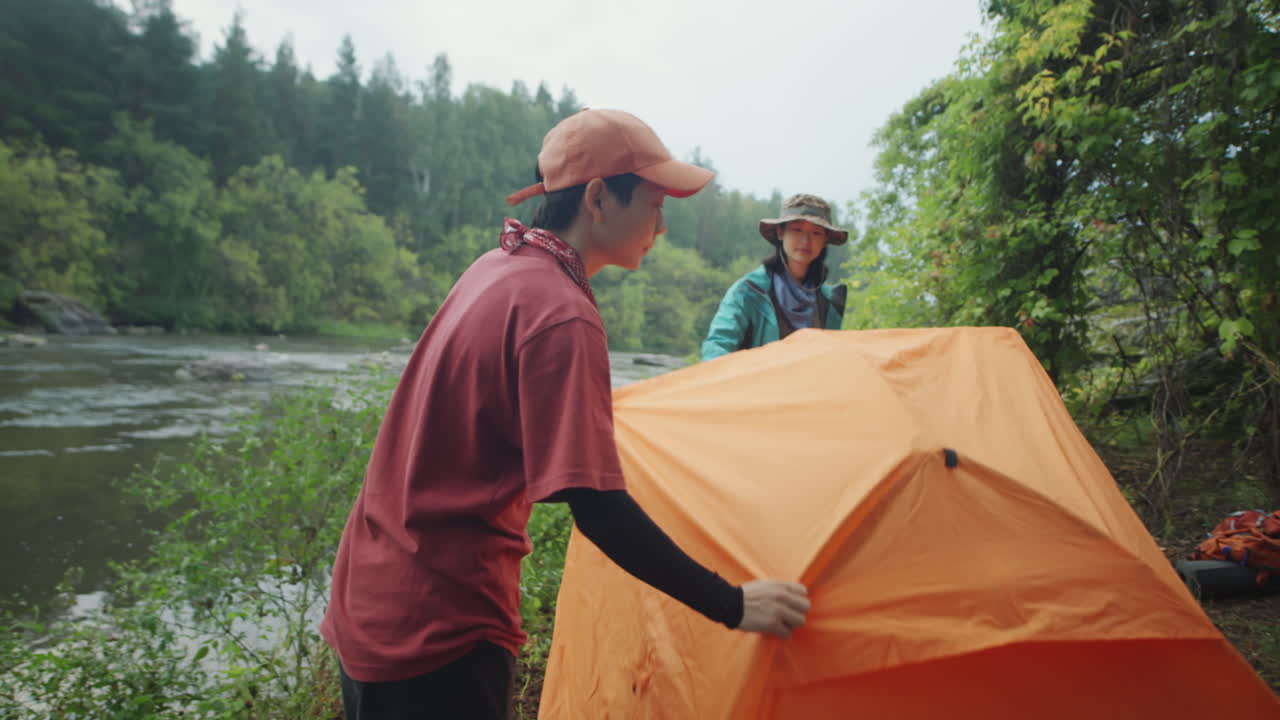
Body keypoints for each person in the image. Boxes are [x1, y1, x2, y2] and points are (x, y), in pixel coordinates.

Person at [320, 109, 811, 720]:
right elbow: (596, 505)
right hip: (436, 631)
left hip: (369, 598)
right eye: (655, 203)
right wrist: (733, 604)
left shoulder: (496, 267)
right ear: (600, 198)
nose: (661, 224)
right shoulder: (561, 313)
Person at [701, 194, 849, 361]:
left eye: (816, 233)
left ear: (825, 240)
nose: (805, 240)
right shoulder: (748, 292)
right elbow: (717, 346)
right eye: (797, 229)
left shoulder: (829, 301)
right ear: (780, 232)